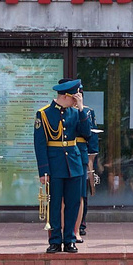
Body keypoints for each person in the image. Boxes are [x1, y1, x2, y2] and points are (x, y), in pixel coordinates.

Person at [34, 78, 97, 253]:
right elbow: (40, 145)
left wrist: (82, 109)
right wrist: (43, 171)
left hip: (74, 164)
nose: (77, 99)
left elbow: (86, 134)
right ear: (66, 96)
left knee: (73, 203)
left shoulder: (76, 112)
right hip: (54, 165)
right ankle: (55, 240)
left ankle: (69, 239)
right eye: (75, 97)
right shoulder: (44, 114)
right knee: (54, 204)